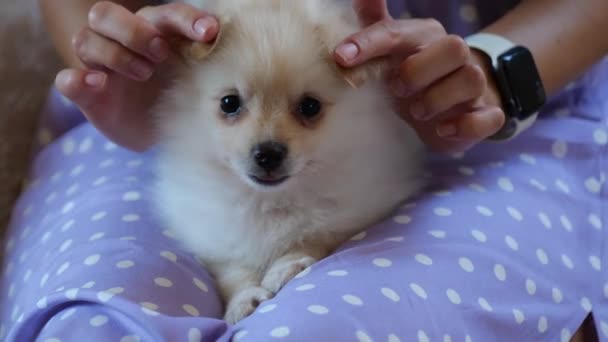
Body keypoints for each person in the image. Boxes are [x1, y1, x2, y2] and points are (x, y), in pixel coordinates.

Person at [0, 0, 607, 340]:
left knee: (326, 333)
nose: (269, 143)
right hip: (142, 129)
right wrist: (116, 54)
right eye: (236, 108)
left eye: (306, 110)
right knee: (92, 329)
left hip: (507, 115)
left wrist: (493, 67)